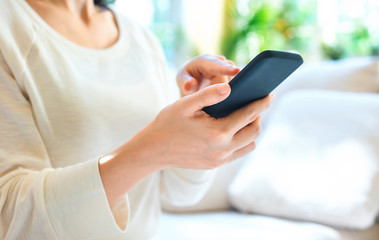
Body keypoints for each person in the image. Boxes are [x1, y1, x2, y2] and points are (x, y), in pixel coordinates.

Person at [0, 0, 273, 239]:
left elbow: (179, 194)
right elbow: (10, 219)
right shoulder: (9, 27)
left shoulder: (141, 39)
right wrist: (152, 148)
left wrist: (200, 119)